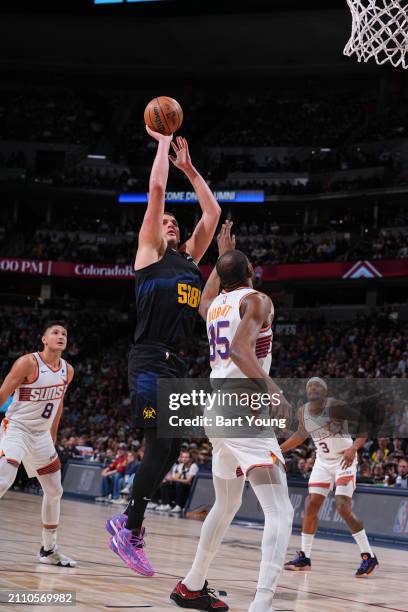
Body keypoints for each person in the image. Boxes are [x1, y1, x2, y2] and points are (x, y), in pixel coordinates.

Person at [106, 128, 221, 576]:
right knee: (159, 442)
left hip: (178, 363)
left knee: (172, 449)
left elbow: (211, 211)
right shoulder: (150, 252)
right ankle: (129, 527)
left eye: (176, 222)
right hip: (150, 357)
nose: (170, 224)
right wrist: (160, 144)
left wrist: (189, 169)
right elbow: (156, 190)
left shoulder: (191, 261)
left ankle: (129, 522)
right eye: (166, 222)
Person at [170, 232, 293, 612]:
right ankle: (263, 603)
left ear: (222, 278)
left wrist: (222, 258)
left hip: (216, 410)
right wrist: (273, 390)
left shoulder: (216, 305)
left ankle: (191, 585)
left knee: (226, 505)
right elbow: (241, 350)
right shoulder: (258, 300)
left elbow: (205, 299)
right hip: (244, 408)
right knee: (280, 510)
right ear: (252, 271)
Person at [281, 377, 378, 577]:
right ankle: (305, 557)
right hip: (323, 462)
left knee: (342, 507)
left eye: (317, 386)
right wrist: (279, 450)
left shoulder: (335, 406)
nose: (312, 388)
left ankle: (369, 556)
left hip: (345, 460)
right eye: (309, 386)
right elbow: (300, 434)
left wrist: (354, 447)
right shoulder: (303, 411)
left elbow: (365, 422)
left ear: (324, 392)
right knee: (311, 505)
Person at [0, 322, 76, 567]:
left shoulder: (68, 370)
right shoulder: (28, 363)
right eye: (55, 332)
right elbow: (3, 392)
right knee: (3, 480)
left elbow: (59, 402)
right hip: (17, 428)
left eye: (64, 333)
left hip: (41, 435)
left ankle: (48, 549)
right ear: (44, 339)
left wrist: (52, 434)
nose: (60, 336)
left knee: (55, 491)